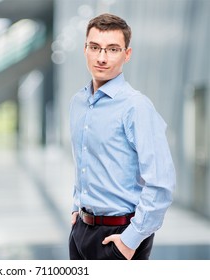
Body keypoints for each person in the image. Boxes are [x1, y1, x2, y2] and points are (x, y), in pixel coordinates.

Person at [68, 13, 176, 260]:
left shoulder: (136, 107)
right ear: (85, 49)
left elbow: (161, 182)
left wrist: (130, 240)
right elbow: (84, 163)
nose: (102, 57)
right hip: (81, 231)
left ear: (127, 54)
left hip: (120, 235)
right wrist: (77, 209)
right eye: (95, 47)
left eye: (113, 49)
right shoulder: (78, 103)